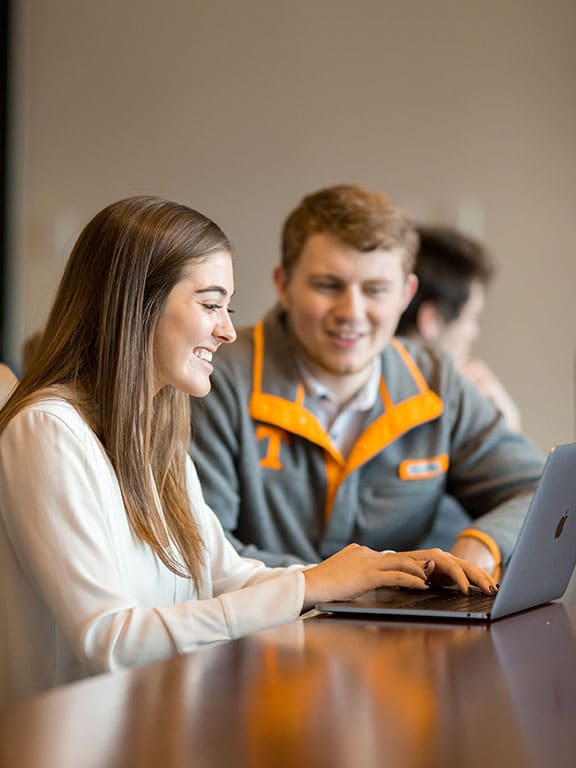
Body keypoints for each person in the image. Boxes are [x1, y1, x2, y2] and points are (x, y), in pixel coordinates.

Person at [0, 196, 496, 707]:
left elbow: (224, 576)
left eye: (227, 308)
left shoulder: (152, 433)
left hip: (154, 725)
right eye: (211, 305)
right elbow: (109, 642)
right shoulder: (48, 430)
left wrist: (378, 574)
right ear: (135, 304)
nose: (228, 330)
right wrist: (308, 587)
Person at [190, 183, 544, 575]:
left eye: (375, 289)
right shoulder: (214, 379)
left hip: (405, 631)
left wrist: (480, 545)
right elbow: (206, 551)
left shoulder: (438, 380)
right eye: (328, 286)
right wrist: (359, 578)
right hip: (261, 628)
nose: (352, 312)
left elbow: (541, 492)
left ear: (406, 294)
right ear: (283, 285)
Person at [396, 225, 521, 432]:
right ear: (432, 320)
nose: (474, 333)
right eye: (471, 318)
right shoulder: (444, 413)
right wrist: (503, 424)